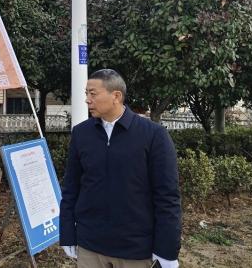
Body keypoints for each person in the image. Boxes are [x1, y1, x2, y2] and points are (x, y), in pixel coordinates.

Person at [59, 69, 181, 268]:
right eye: (86, 93)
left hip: (136, 250)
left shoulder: (153, 135)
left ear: (116, 96)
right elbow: (71, 187)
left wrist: (167, 250)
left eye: (93, 94)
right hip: (90, 245)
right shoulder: (81, 134)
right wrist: (67, 233)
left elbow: (167, 196)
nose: (87, 100)